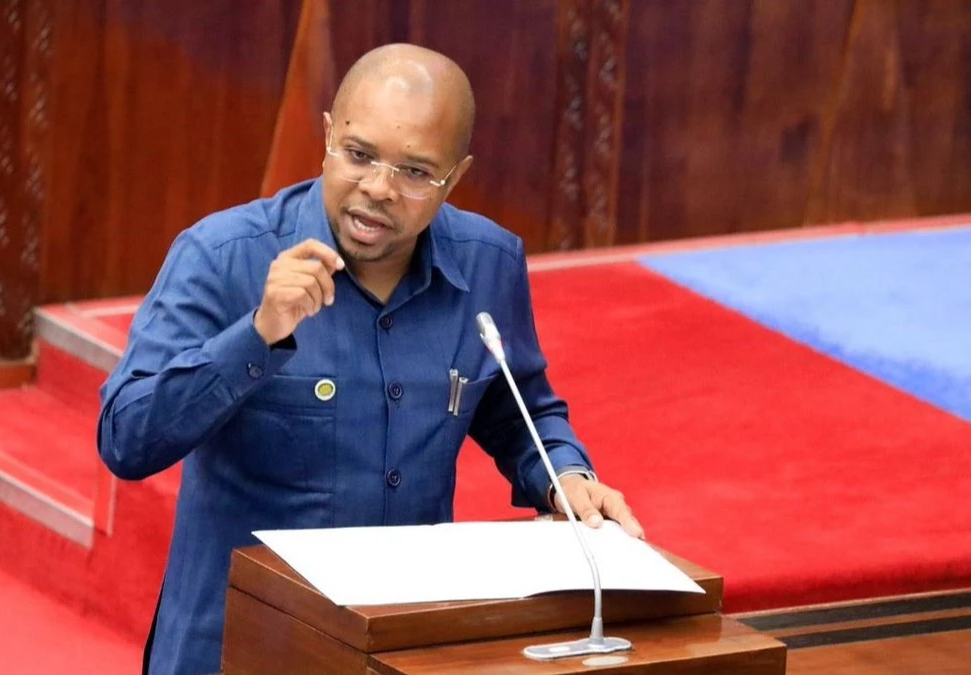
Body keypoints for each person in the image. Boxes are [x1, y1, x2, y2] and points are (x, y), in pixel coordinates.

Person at [98, 43, 644, 675]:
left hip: (398, 650)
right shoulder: (223, 256)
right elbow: (126, 438)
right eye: (359, 156)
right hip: (237, 648)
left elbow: (516, 406)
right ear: (329, 135)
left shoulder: (489, 264)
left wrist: (563, 475)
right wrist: (257, 335)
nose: (379, 189)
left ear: (455, 177)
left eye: (416, 172)